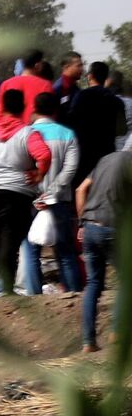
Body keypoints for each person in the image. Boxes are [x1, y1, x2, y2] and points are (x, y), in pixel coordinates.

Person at [0, 89, 49, 300]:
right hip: (18, 193)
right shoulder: (28, 133)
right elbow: (43, 154)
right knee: (10, 241)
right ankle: (6, 288)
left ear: (2, 107)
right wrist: (39, 173)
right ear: (23, 108)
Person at [22, 91, 81, 296]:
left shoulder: (25, 134)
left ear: (34, 109)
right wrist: (52, 192)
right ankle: (73, 295)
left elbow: (21, 168)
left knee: (31, 251)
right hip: (60, 200)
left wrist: (38, 194)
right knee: (65, 251)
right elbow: (71, 169)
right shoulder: (67, 134)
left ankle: (34, 296)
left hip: (31, 200)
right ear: (55, 110)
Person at [76, 148, 128, 352]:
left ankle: (88, 342)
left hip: (89, 227)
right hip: (112, 228)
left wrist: (81, 222)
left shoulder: (105, 159)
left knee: (93, 283)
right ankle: (117, 330)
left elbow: (80, 190)